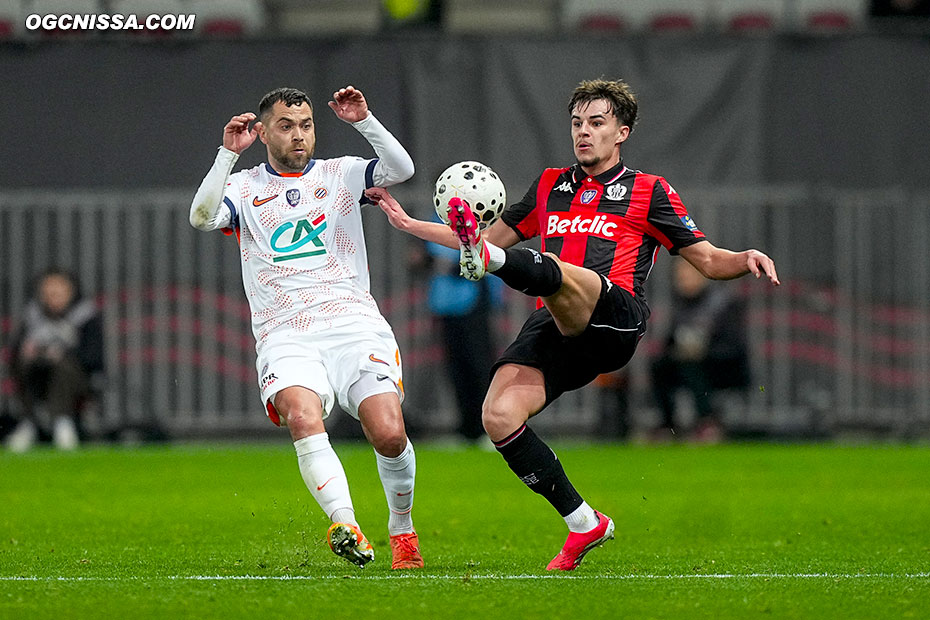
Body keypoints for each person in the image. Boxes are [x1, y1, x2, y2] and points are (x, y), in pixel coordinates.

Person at [367, 78, 779, 571]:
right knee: (497, 415)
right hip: (558, 323)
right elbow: (483, 238)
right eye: (577, 123)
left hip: (615, 318)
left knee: (554, 270)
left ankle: (496, 267)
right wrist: (410, 225)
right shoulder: (550, 185)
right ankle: (584, 522)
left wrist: (744, 258)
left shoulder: (649, 191)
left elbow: (707, 260)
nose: (583, 132)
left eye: (597, 123)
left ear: (622, 132)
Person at [189, 86, 422, 570]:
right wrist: (226, 156)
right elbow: (202, 217)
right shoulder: (244, 186)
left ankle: (402, 529)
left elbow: (402, 169)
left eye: (306, 125)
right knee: (301, 415)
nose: (299, 135)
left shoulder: (341, 173)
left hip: (353, 323)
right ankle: (345, 523)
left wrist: (364, 120)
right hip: (285, 332)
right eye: (286, 126)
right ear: (263, 132)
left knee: (388, 433)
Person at [650, 258, 750, 443]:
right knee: (660, 366)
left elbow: (735, 346)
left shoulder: (723, 303)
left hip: (724, 367)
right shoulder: (680, 305)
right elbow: (669, 343)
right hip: (688, 365)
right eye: (680, 277)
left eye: (688, 275)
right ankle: (668, 425)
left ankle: (707, 422)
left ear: (702, 276)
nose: (684, 281)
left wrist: (703, 352)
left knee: (692, 364)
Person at [5, 268, 104, 453]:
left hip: (76, 380)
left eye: (58, 291)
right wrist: (29, 351)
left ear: (70, 290)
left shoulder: (85, 315)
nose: (53, 296)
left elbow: (94, 357)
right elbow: (14, 353)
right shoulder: (32, 315)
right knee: (24, 364)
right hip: (37, 377)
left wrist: (63, 353)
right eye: (49, 292)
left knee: (62, 366)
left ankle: (62, 423)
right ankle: (29, 423)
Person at [423, 230, 501, 443]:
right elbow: (420, 258)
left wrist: (444, 265)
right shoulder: (434, 222)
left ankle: (488, 428)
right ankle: (467, 429)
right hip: (446, 306)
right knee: (456, 369)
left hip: (473, 304)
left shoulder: (475, 223)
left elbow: (477, 261)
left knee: (480, 366)